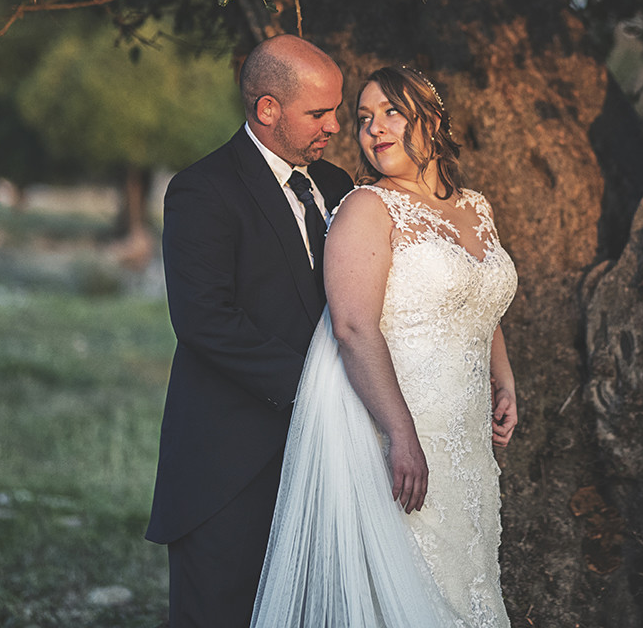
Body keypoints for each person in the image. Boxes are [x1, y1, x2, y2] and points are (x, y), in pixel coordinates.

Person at [251, 65, 519, 628]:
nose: (375, 129)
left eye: (392, 112)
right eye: (365, 119)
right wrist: (400, 435)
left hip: (466, 440)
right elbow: (352, 327)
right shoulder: (365, 209)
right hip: (399, 431)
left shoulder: (475, 207)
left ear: (433, 119)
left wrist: (504, 377)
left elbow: (480, 297)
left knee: (469, 578)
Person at [145, 34, 355, 628]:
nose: (335, 125)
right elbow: (205, 319)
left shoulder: (338, 186)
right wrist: (319, 393)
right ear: (268, 109)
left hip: (328, 457)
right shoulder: (202, 189)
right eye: (319, 113)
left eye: (335, 110)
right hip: (230, 464)